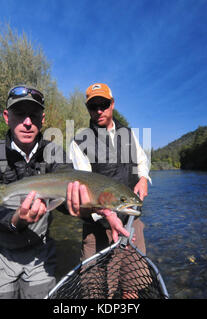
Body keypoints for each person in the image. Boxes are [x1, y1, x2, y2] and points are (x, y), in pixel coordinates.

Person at [0, 84, 129, 299]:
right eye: (20, 114)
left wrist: (103, 210)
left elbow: (68, 197)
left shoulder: (54, 153)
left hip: (38, 251)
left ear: (42, 119)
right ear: (7, 117)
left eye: (34, 115)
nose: (27, 122)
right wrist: (16, 220)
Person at [68, 83, 152, 298]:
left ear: (112, 104)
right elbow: (83, 190)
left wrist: (143, 178)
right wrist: (107, 214)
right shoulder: (79, 142)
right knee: (95, 291)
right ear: (88, 108)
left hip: (132, 222)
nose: (98, 111)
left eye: (103, 105)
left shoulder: (127, 133)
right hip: (97, 228)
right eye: (93, 106)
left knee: (133, 285)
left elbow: (142, 160)